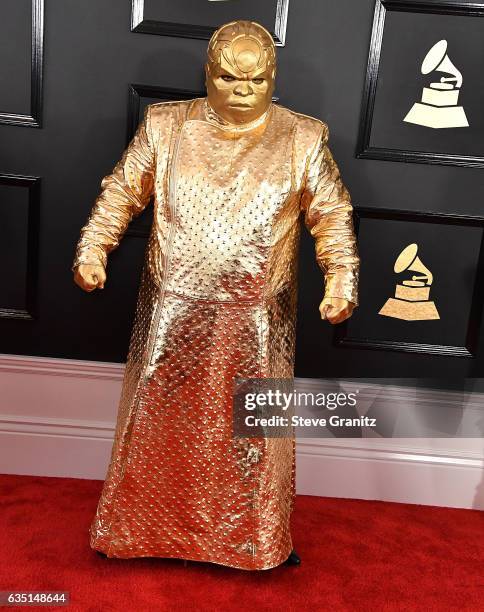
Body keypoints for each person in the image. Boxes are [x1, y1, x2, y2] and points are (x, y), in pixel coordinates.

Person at [72, 19, 360, 571]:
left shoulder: (302, 138)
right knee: (156, 421)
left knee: (251, 431)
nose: (241, 90)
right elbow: (120, 193)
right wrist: (93, 249)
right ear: (208, 72)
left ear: (273, 77)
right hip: (171, 305)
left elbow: (332, 215)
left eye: (254, 80)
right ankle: (135, 530)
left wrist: (341, 277)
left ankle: (252, 542)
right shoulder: (165, 126)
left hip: (256, 314)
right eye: (228, 78)